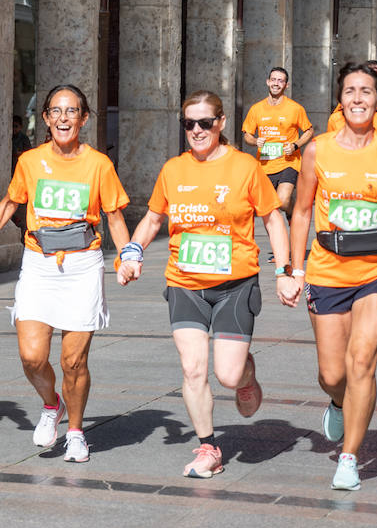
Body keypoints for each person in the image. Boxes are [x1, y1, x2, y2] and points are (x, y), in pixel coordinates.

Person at [118, 90, 290, 480]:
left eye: (204, 122)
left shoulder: (245, 167)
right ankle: (209, 447)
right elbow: (153, 218)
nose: (196, 130)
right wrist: (132, 251)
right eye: (188, 124)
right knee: (193, 369)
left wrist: (285, 270)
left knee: (227, 376)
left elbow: (274, 220)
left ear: (221, 123)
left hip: (234, 285)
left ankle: (246, 373)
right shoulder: (173, 170)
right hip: (184, 283)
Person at [0, 85, 130, 464]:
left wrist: (128, 254)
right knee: (32, 356)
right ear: (46, 119)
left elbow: (114, 215)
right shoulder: (30, 161)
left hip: (82, 266)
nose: (63, 118)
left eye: (71, 112)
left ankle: (75, 432)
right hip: (39, 264)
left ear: (84, 119)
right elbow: (10, 202)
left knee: (73, 362)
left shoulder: (98, 164)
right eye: (55, 111)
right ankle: (50, 404)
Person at [287, 63, 377, 492]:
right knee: (332, 373)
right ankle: (337, 402)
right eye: (351, 91)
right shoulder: (318, 150)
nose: (358, 98)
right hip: (328, 270)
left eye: (367, 91)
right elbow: (303, 211)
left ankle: (349, 458)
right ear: (340, 99)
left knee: (361, 360)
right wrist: (294, 269)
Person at [241, 67, 314, 220]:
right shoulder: (256, 109)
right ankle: (288, 214)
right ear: (268, 82)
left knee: (282, 200)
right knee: (263, 207)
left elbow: (309, 131)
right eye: (273, 80)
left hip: (289, 162)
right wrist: (255, 141)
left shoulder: (295, 108)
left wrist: (295, 145)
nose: (276, 83)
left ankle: (290, 209)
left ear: (286, 85)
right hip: (265, 165)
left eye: (280, 81)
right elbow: (247, 135)